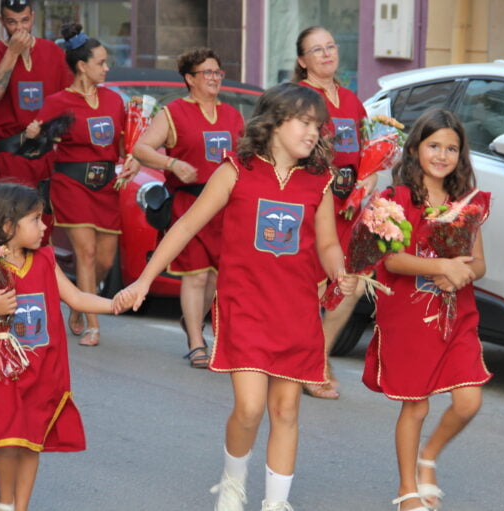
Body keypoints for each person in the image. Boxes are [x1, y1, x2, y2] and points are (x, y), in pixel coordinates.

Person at [117, 83, 357, 511]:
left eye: (317, 126)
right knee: (248, 409)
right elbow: (187, 225)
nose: (313, 133)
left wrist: (340, 269)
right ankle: (232, 481)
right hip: (245, 305)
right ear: (275, 122)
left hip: (297, 309)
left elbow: (326, 244)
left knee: (286, 411)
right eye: (304, 123)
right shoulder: (236, 169)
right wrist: (144, 281)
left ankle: (275, 504)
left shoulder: (318, 181)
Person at [0, 182, 121, 511]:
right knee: (7, 437)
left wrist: (115, 303)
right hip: (2, 373)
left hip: (42, 368)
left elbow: (75, 297)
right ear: (7, 226)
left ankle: (22, 506)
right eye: (36, 220)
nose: (45, 227)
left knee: (32, 441)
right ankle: (4, 502)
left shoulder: (44, 260)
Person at [362, 109, 491, 511]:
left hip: (456, 314)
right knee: (415, 404)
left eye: (451, 148)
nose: (442, 155)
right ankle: (407, 490)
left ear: (460, 155)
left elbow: (480, 264)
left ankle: (429, 456)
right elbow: (393, 262)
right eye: (434, 145)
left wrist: (460, 275)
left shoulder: (464, 204)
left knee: (469, 400)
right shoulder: (394, 199)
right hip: (407, 316)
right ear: (416, 148)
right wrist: (441, 266)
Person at [25, 23, 140, 346]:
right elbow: (35, 143)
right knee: (86, 254)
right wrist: (33, 133)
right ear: (81, 66)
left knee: (105, 259)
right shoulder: (58, 101)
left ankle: (79, 301)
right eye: (101, 63)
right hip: (71, 182)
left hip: (106, 185)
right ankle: (93, 326)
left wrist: (134, 157)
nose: (106, 68)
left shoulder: (114, 101)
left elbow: (122, 146)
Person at [132, 47, 244, 368]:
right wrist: (173, 163)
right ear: (189, 79)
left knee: (215, 280)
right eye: (206, 73)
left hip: (225, 209)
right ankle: (197, 341)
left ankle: (192, 321)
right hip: (189, 202)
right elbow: (141, 148)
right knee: (195, 276)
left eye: (217, 72)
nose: (214, 78)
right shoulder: (174, 113)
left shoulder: (233, 116)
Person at [293, 26, 374, 399]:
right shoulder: (298, 98)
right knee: (314, 287)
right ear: (302, 60)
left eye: (331, 46)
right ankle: (310, 364)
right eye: (316, 49)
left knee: (352, 285)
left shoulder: (353, 101)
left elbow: (366, 151)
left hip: (350, 207)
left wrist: (369, 177)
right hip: (312, 202)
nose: (326, 54)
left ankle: (318, 357)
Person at [0, 0, 72, 242]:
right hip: (9, 156)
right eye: (12, 22)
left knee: (42, 230)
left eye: (24, 21)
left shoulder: (52, 52)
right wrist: (12, 53)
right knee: (7, 231)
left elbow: (69, 104)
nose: (19, 28)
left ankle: (37, 280)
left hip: (44, 157)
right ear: (2, 22)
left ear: (32, 17)